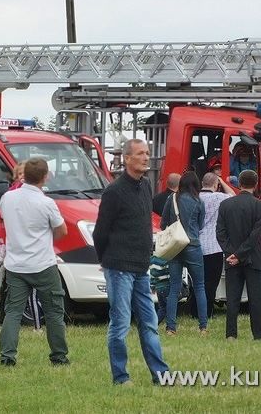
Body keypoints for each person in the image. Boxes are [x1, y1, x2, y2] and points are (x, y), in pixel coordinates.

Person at [93, 138, 169, 385]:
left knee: (149, 323)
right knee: (121, 324)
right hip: (119, 268)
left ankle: (161, 375)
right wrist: (104, 260)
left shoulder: (146, 186)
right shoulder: (114, 192)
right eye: (140, 153)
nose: (146, 157)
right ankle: (121, 377)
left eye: (147, 153)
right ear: (127, 158)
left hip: (140, 268)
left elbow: (144, 224)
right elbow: (100, 232)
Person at [0, 158, 69, 366]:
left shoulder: (7, 198)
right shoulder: (46, 203)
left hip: (15, 264)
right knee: (54, 312)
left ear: (23, 175)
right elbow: (62, 231)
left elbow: (5, 219)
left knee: (13, 311)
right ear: (45, 177)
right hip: (43, 264)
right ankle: (59, 356)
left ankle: (7, 357)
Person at [216, 169, 261, 340]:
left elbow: (220, 233)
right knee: (256, 298)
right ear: (256, 183)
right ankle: (258, 334)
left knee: (232, 298)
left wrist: (231, 253)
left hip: (231, 258)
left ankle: (231, 334)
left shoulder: (225, 205)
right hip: (253, 257)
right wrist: (240, 254)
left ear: (238, 183)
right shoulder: (260, 206)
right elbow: (255, 236)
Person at [161, 171, 207, 335]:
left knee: (174, 288)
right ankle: (202, 327)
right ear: (196, 185)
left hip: (175, 246)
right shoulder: (199, 202)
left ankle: (170, 328)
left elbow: (163, 223)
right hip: (193, 245)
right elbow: (201, 225)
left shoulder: (171, 199)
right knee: (200, 286)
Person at [192, 172, 234, 319]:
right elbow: (233, 195)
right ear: (215, 185)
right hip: (213, 246)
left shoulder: (195, 197)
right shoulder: (217, 197)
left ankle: (194, 310)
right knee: (211, 283)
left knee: (197, 282)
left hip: (196, 245)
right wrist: (222, 181)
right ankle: (207, 311)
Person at [8, 160, 41, 331]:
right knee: (22, 296)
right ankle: (34, 326)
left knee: (31, 295)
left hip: (22, 252)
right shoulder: (14, 193)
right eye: (19, 174)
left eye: (24, 175)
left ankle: (36, 325)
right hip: (23, 252)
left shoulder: (21, 194)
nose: (22, 178)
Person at [149, 256, 170, 324]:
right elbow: (169, 273)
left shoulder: (152, 261)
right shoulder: (165, 260)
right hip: (166, 286)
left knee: (162, 308)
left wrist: (152, 286)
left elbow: (152, 277)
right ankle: (170, 325)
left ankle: (154, 323)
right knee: (169, 307)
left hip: (158, 288)